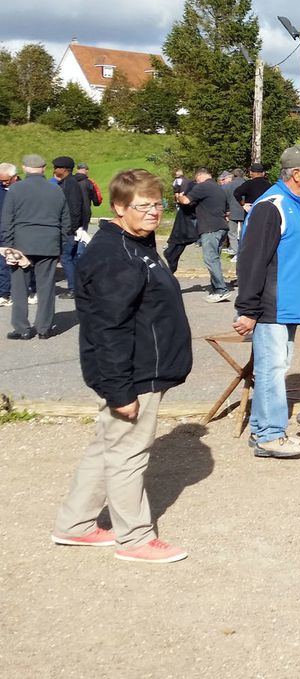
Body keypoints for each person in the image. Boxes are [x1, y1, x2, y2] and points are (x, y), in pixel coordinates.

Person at [52, 169, 191, 563]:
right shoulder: (114, 254)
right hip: (133, 373)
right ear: (118, 207)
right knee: (129, 453)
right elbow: (107, 329)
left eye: (157, 204)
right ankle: (135, 539)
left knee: (108, 445)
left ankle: (74, 524)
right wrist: (119, 390)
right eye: (142, 206)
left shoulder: (138, 243)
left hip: (143, 366)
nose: (153, 213)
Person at [233, 145, 300, 459]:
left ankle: (262, 429)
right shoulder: (271, 206)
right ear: (296, 173)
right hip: (271, 304)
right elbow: (251, 261)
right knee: (272, 369)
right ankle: (270, 435)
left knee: (276, 366)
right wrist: (248, 309)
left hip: (290, 303)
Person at [0, 154, 68, 340]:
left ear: (24, 168)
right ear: (44, 168)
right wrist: (61, 245)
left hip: (21, 245)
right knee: (46, 286)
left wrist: (7, 245)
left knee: (19, 287)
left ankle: (21, 328)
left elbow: (7, 220)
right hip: (49, 243)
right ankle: (44, 328)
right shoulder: (56, 190)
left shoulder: (16, 189)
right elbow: (65, 221)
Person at [176, 167, 231, 303]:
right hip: (222, 226)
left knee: (210, 259)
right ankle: (215, 289)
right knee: (215, 259)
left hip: (209, 227)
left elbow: (186, 201)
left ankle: (221, 290)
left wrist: (179, 195)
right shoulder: (219, 188)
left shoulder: (203, 187)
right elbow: (228, 210)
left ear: (199, 177)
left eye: (196, 180)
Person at [52, 156, 86, 299]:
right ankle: (78, 287)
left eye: (57, 167)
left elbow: (74, 208)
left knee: (66, 258)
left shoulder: (70, 184)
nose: (54, 170)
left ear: (65, 169)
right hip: (71, 228)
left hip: (69, 229)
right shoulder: (67, 183)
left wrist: (70, 228)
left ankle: (73, 288)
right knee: (71, 258)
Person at [164, 170, 197, 273]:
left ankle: (170, 257)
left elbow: (177, 192)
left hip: (185, 212)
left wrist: (179, 198)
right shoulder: (189, 182)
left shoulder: (179, 182)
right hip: (188, 216)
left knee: (177, 242)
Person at [0, 162, 17, 307]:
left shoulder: (21, 189)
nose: (4, 183)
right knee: (2, 263)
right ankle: (4, 293)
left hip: (18, 230)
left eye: (6, 180)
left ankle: (29, 290)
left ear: (14, 177)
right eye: (1, 180)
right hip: (2, 231)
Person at [222, 168, 246, 257]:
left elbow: (223, 199)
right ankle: (244, 250)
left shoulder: (227, 186)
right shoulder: (247, 184)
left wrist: (226, 210)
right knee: (245, 232)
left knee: (232, 233)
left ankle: (236, 251)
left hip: (232, 211)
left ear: (233, 175)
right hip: (245, 210)